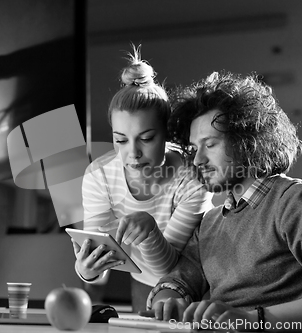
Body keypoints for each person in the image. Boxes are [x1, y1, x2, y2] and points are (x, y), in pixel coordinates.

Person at [147, 71, 302, 331]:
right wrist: (169, 301)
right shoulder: (209, 223)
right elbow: (174, 284)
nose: (198, 160)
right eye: (193, 149)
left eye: (209, 144)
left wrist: (252, 320)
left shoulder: (295, 202)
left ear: (247, 142)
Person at [71, 46, 212, 312]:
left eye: (147, 139)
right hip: (142, 284)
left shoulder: (193, 178)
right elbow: (101, 254)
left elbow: (170, 269)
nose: (133, 153)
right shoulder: (99, 175)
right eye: (120, 140)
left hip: (199, 285)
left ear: (167, 133)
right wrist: (86, 269)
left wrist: (149, 232)